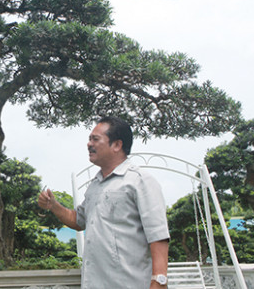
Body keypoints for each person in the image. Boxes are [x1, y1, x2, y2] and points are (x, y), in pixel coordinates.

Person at [38, 116, 170, 289]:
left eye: (95, 139)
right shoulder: (95, 185)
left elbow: (158, 236)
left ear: (117, 145)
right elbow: (79, 220)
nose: (89, 144)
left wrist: (159, 281)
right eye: (89, 139)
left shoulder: (140, 181)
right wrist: (54, 206)